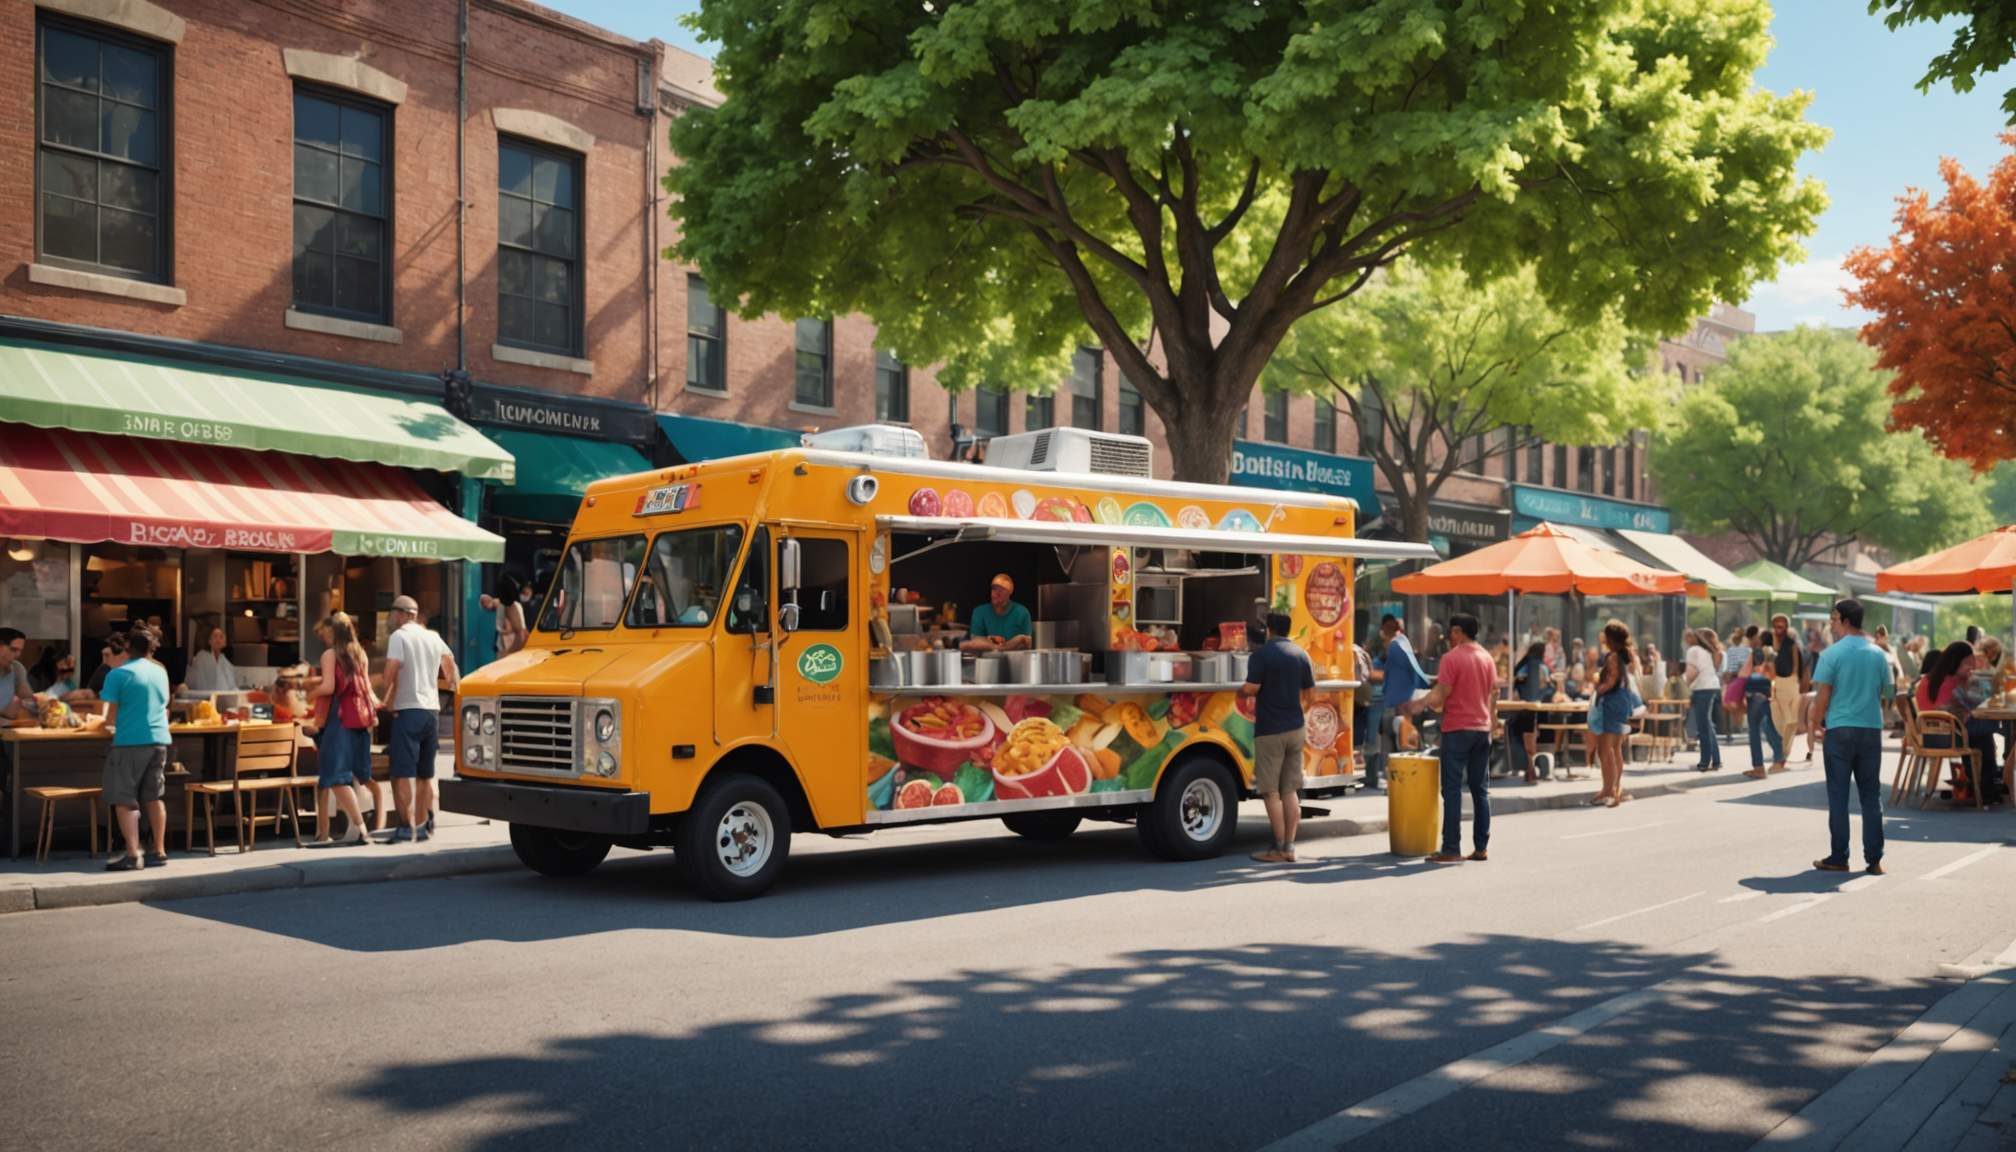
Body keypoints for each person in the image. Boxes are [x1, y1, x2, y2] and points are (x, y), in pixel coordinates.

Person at [1402, 613, 1497, 864]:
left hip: (1457, 730)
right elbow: (1492, 694)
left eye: (1451, 633)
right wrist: (1493, 721)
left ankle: (1451, 848)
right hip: (1482, 729)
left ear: (1457, 631)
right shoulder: (1487, 658)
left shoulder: (1452, 658)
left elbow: (1443, 691)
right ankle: (1481, 847)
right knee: (1480, 791)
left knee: (1452, 789)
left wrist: (1419, 704)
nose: (1448, 638)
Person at [1811, 599, 1889, 875]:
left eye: (1833, 619)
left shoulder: (1831, 655)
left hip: (1840, 730)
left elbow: (1823, 696)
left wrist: (1818, 723)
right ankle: (1874, 859)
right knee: (1871, 795)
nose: (1831, 625)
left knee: (1838, 795)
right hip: (1870, 729)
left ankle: (1839, 856)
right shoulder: (1878, 654)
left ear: (1845, 620)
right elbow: (1889, 693)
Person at [381, 596, 459, 842]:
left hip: (408, 710)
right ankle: (422, 825)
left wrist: (387, 690)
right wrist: (452, 685)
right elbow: (450, 664)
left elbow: (392, 668)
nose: (391, 617)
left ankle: (405, 827)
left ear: (405, 614)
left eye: (394, 612)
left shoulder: (399, 637)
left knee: (401, 774)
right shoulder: (433, 637)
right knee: (425, 774)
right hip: (431, 712)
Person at [1241, 613, 1316, 864]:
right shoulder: (1301, 654)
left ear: (1269, 630)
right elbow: (1310, 695)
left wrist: (1240, 689)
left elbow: (1251, 688)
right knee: (1290, 790)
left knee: (1271, 792)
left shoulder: (1261, 656)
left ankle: (1279, 848)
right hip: (1295, 728)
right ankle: (1290, 847)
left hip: (1270, 730)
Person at [99, 629, 171, 870]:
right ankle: (158, 851)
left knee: (124, 797)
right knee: (154, 796)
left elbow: (109, 717)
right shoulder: (160, 671)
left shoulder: (118, 674)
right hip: (159, 740)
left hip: (130, 741)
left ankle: (132, 853)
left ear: (128, 647)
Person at [312, 613, 380, 846]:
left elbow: (329, 686)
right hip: (360, 721)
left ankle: (361, 829)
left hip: (340, 719)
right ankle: (345, 830)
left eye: (325, 633)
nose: (323, 638)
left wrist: (308, 692)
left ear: (333, 630)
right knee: (352, 776)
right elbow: (368, 689)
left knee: (335, 777)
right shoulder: (359, 652)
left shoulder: (330, 654)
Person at [1586, 621, 1641, 807]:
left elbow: (1611, 680)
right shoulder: (1629, 654)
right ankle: (1615, 789)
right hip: (1624, 702)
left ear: (1610, 639)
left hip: (1612, 703)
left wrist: (1597, 691)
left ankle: (1608, 790)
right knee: (1616, 748)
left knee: (1604, 749)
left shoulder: (1613, 656)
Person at [1374, 615, 1427, 790]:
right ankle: (1392, 777)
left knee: (1401, 741)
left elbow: (1407, 676)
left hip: (1400, 703)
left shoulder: (1399, 648)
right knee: (1394, 740)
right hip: (1393, 702)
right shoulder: (1395, 647)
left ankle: (1402, 778)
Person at [1764, 614, 1807, 774]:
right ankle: (1781, 750)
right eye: (1776, 626)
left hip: (1789, 682)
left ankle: (1784, 751)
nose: (1778, 630)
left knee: (1790, 718)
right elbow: (1771, 656)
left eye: (1781, 627)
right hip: (1777, 682)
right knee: (1778, 716)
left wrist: (1795, 679)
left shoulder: (1791, 644)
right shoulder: (1772, 643)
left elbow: (1797, 664)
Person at [1740, 627, 1782, 777]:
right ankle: (1779, 757)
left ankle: (1758, 767)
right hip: (1767, 693)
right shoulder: (1770, 652)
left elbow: (1756, 671)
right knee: (1769, 726)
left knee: (1754, 730)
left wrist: (1743, 676)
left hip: (1756, 693)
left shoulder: (1758, 652)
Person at [1683, 627, 1723, 771]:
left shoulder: (1693, 651)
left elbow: (1692, 672)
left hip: (1701, 688)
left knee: (1703, 726)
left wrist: (1684, 683)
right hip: (1711, 687)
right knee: (1707, 724)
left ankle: (1705, 761)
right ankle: (1716, 759)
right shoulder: (1708, 652)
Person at [961, 574, 1033, 652]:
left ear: (1010, 591)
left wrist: (987, 645)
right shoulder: (979, 612)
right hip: (986, 661)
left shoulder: (1022, 613)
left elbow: (1027, 644)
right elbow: (976, 643)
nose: (996, 594)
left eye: (1001, 590)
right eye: (994, 589)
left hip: (1015, 661)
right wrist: (1007, 646)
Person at [1509, 641, 1549, 785]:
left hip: (1526, 707)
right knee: (1533, 738)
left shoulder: (1526, 664)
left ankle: (1530, 769)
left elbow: (1518, 674)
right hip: (1540, 707)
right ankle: (1534, 769)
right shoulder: (1542, 666)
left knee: (1527, 738)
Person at [479, 574, 530, 659]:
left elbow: (520, 633)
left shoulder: (511, 607)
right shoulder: (505, 605)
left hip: (511, 654)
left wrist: (509, 652)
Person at [179, 626, 236, 694]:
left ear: (224, 642)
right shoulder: (201, 658)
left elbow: (232, 686)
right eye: (215, 636)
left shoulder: (226, 663)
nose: (218, 639)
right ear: (210, 640)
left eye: (220, 637)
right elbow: (191, 683)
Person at [1873, 625, 1905, 730]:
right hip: (1876, 678)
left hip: (1888, 678)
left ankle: (1886, 721)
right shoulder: (1872, 648)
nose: (1880, 639)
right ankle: (1880, 721)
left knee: (1887, 702)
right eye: (1877, 637)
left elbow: (1896, 662)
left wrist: (1900, 674)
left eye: (1881, 637)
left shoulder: (1890, 649)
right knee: (1877, 701)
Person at [0, 627, 32, 720]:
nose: (17, 655)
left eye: (20, 651)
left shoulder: (17, 669)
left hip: (9, 730)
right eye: (13, 650)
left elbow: (28, 699)